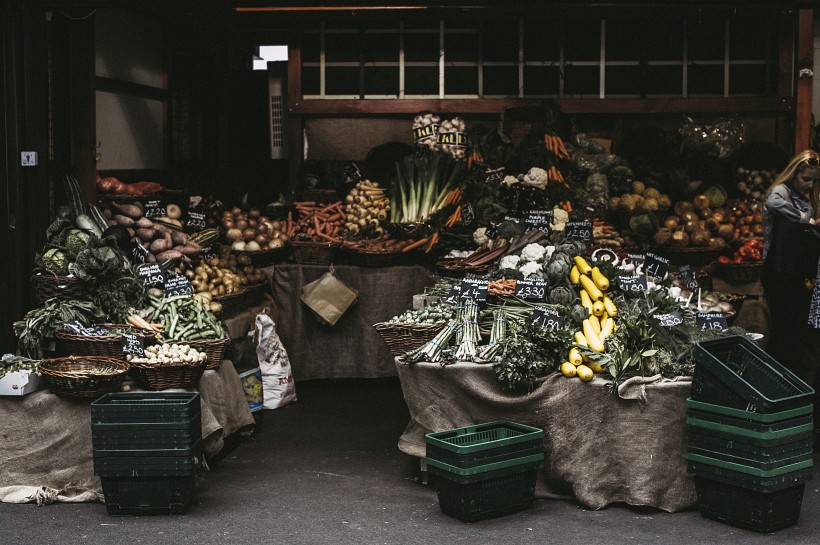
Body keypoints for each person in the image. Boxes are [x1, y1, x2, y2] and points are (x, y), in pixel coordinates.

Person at [760, 149, 820, 391]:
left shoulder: (799, 195)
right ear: (793, 173)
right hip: (777, 270)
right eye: (806, 178)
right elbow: (774, 204)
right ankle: (772, 382)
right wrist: (809, 221)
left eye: (814, 180)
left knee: (793, 329)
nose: (809, 184)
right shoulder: (780, 192)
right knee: (783, 327)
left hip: (794, 270)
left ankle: (785, 382)